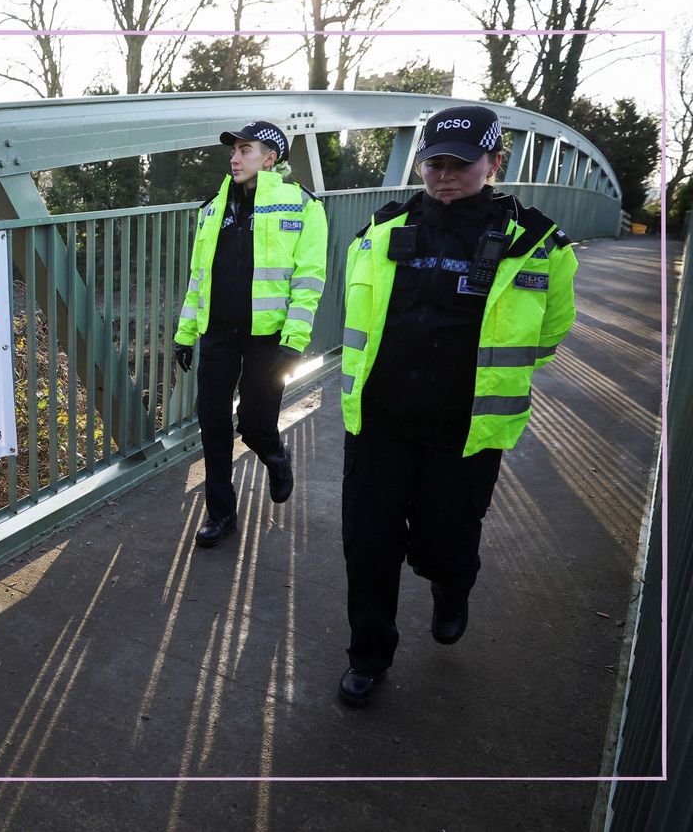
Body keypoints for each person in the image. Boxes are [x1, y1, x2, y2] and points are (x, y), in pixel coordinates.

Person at [337, 105, 579, 707]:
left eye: (461, 165)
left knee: (444, 544)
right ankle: (369, 653)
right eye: (433, 164)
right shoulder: (382, 229)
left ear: (496, 163)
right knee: (369, 544)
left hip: (465, 430)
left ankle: (452, 586)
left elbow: (550, 334)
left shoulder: (538, 245)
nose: (444, 175)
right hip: (380, 421)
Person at [173, 120, 329, 547]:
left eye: (245, 150)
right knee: (214, 424)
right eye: (233, 151)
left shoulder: (303, 206)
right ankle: (221, 514)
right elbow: (198, 278)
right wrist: (185, 334)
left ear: (271, 157)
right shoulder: (211, 209)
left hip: (269, 338)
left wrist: (294, 341)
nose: (235, 158)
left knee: (257, 425)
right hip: (218, 333)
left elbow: (309, 279)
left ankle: (275, 457)